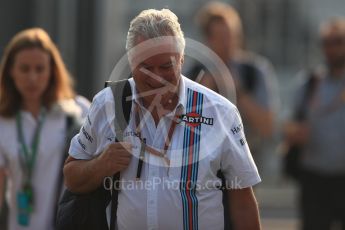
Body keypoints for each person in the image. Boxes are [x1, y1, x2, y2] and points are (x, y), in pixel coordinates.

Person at [64, 9, 261, 230]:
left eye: (166, 66)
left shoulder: (220, 111)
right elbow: (72, 177)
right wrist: (101, 165)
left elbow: (243, 200)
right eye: (146, 67)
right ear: (131, 61)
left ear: (182, 59)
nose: (156, 77)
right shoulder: (107, 104)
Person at [0, 28, 89, 230]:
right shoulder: (3, 120)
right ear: (11, 71)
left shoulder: (77, 112)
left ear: (52, 72)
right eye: (24, 68)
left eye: (40, 69)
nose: (32, 78)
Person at [188, 2, 277, 163]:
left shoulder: (254, 71)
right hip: (202, 164)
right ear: (207, 39)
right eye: (221, 38)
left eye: (232, 36)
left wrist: (238, 90)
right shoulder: (192, 74)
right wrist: (202, 92)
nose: (228, 43)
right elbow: (181, 126)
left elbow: (267, 127)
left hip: (244, 163)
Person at [284, 17, 345, 230]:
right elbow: (289, 124)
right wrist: (295, 133)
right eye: (327, 43)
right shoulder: (309, 83)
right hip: (315, 180)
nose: (332, 49)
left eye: (338, 41)